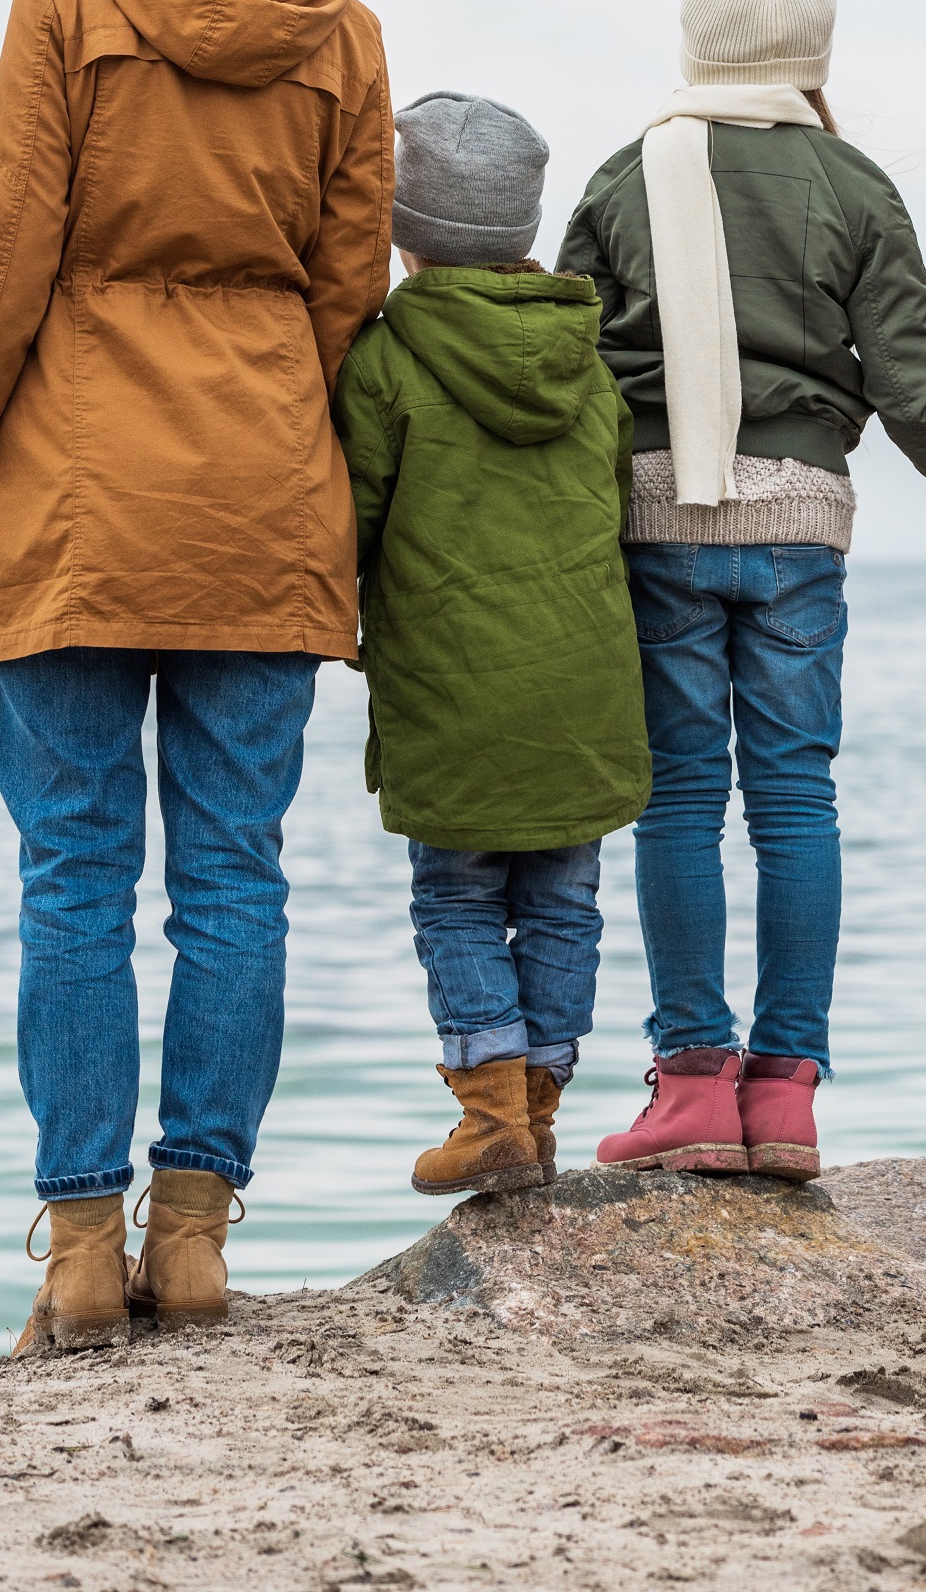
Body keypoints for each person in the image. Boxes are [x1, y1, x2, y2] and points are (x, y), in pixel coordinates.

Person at [0, 0, 391, 1353]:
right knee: (236, 877)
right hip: (260, 489)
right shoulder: (343, 28)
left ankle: (77, 1254)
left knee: (72, 876)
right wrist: (285, 443)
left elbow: (8, 246)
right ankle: (198, 1235)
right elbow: (348, 297)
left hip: (77, 493)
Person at [559, 0, 926, 1182]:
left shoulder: (625, 180)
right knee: (792, 799)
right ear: (815, 55)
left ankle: (688, 1082)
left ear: (692, 45)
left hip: (656, 517)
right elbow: (911, 386)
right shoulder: (853, 185)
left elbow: (566, 381)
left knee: (677, 797)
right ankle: (784, 1091)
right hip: (799, 528)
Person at [333, 91, 650, 1198]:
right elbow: (613, 512)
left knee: (458, 897)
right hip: (584, 683)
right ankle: (542, 1106)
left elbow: (353, 518)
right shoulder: (587, 364)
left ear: (401, 226)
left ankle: (489, 1107)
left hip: (449, 682)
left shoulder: (384, 361)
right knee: (564, 898)